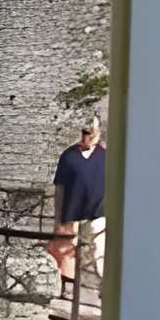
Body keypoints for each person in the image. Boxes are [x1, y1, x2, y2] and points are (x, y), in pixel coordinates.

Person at [51, 115, 106, 283]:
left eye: (93, 132)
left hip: (98, 213)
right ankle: (68, 288)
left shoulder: (105, 156)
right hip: (71, 213)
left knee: (100, 252)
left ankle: (102, 288)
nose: (89, 136)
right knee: (67, 254)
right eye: (86, 132)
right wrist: (58, 218)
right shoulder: (68, 157)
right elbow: (59, 189)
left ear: (99, 132)